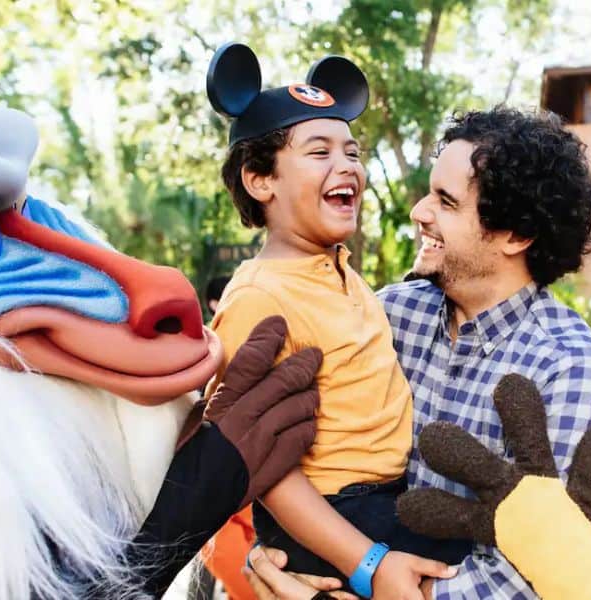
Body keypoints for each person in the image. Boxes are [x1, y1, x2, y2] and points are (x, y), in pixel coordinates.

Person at [246, 106, 591, 600]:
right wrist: (283, 556)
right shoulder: (390, 314)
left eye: (446, 202)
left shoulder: (570, 367)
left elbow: (536, 573)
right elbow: (286, 449)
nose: (419, 212)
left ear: (515, 234)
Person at [204, 43, 466, 600]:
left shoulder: (343, 272)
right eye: (319, 152)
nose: (347, 165)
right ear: (260, 180)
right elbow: (261, 463)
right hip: (333, 520)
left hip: (385, 500)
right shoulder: (259, 295)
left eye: (351, 151)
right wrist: (368, 563)